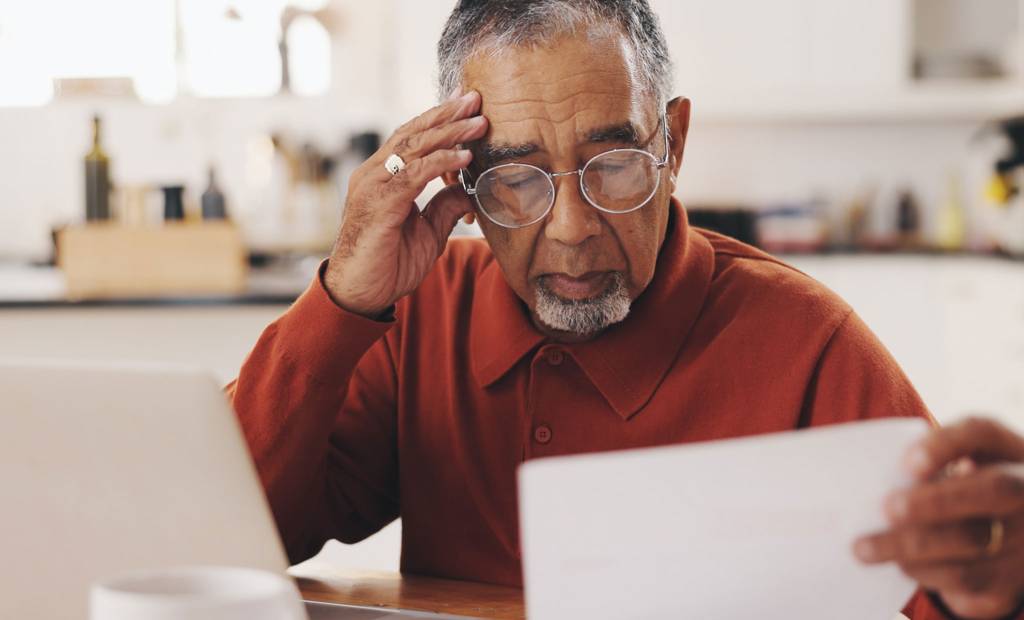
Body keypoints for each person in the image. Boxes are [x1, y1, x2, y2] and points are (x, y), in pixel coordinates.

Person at [228, 1, 1024, 617]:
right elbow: (232, 539)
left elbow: (962, 583)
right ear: (462, 182)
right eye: (516, 178)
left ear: (673, 143)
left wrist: (1001, 580)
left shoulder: (808, 343)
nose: (571, 230)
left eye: (613, 164)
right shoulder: (421, 313)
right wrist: (341, 300)